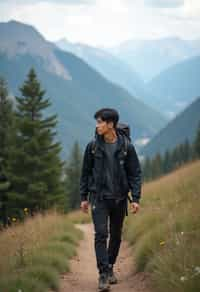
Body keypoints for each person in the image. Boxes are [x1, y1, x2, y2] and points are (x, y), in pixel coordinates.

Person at [79, 108, 142, 291]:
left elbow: (135, 173)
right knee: (101, 234)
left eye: (100, 122)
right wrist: (83, 197)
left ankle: (110, 266)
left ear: (111, 124)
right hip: (99, 198)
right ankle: (103, 274)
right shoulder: (92, 147)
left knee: (115, 235)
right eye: (97, 122)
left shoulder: (126, 147)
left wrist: (136, 198)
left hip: (120, 199)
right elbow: (85, 174)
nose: (97, 126)